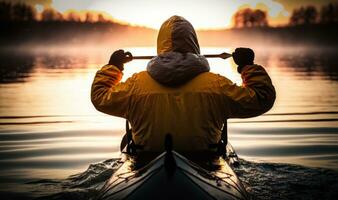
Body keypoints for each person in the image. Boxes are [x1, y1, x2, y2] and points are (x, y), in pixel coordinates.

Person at [91, 15, 276, 153]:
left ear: (159, 46)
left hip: (145, 163)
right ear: (194, 44)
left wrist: (113, 67)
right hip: (205, 164)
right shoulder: (216, 84)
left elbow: (100, 97)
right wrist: (247, 66)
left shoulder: (136, 84)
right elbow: (262, 98)